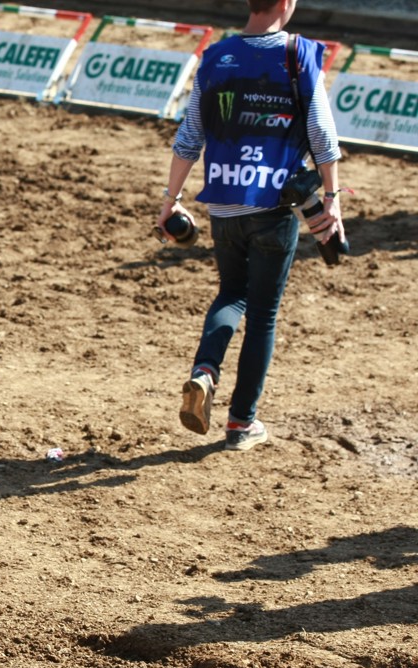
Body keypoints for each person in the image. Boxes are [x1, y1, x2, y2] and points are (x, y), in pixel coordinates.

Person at [156, 0, 344, 451]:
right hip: (274, 205)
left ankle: (204, 371)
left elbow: (189, 137)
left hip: (224, 203)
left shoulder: (216, 56)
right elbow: (322, 134)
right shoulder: (299, 53)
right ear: (286, 3)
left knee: (230, 293)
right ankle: (241, 423)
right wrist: (332, 198)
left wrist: (171, 200)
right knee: (262, 315)